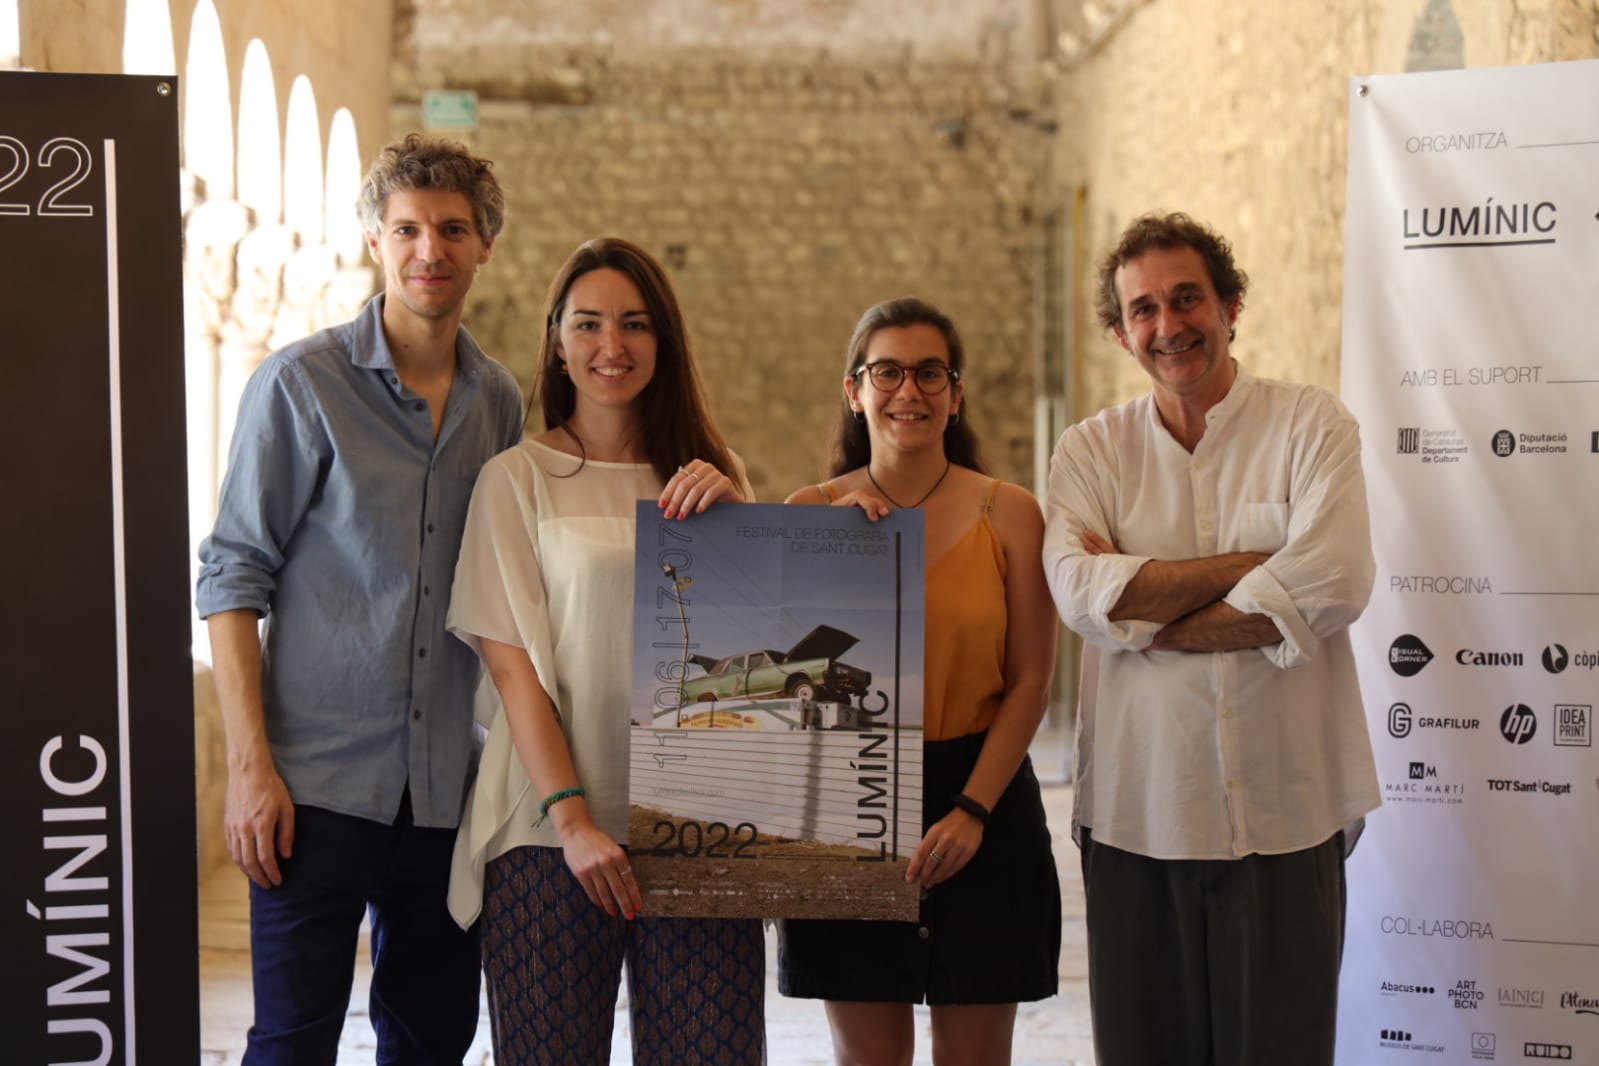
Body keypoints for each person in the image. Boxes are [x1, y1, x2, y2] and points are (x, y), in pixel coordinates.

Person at [195, 134, 523, 1064]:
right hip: (314, 789)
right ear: (376, 241)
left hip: (443, 796)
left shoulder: (498, 402)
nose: (432, 250)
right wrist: (251, 770)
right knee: (291, 1044)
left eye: (453, 229)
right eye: (408, 228)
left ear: (484, 245)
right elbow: (232, 576)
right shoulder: (301, 385)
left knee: (431, 1042)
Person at [1043, 211, 1380, 1065]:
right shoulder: (1087, 454)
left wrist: (1143, 610)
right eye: (1143, 310)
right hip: (1136, 816)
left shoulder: (1312, 427)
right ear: (1121, 334)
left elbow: (1335, 580)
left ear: (1230, 306)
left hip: (1287, 814)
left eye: (1186, 297)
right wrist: (1258, 568)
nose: (1168, 325)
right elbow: (1082, 598)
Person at [444, 237, 766, 1065]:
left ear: (664, 340)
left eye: (633, 324)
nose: (610, 347)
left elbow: (750, 662)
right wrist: (576, 820)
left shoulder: (711, 476)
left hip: (697, 831)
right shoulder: (515, 478)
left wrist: (744, 531)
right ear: (557, 340)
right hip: (549, 831)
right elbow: (514, 670)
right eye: (587, 324)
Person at [779, 297, 1061, 1066]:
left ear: (955, 391)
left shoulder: (1011, 514)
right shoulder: (810, 512)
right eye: (888, 371)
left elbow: (1032, 680)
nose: (910, 390)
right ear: (854, 390)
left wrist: (972, 809)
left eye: (929, 372)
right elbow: (787, 673)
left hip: (983, 795)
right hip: (849, 802)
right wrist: (845, 555)